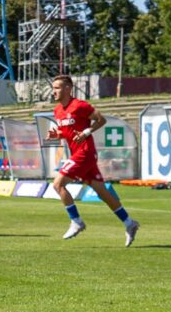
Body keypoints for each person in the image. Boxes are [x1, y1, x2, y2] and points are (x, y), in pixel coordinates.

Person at [47, 74, 138, 244]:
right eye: (53, 88)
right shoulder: (58, 110)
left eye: (57, 88)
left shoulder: (80, 106)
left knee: (58, 184)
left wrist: (86, 132)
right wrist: (56, 134)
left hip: (85, 153)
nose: (54, 92)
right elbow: (66, 131)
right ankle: (129, 223)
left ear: (68, 88)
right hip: (78, 154)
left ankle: (76, 221)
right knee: (102, 192)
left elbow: (101, 120)